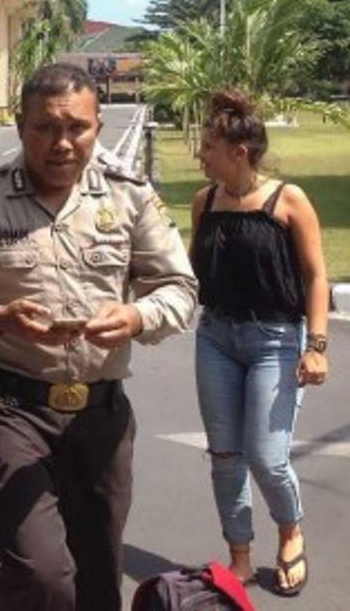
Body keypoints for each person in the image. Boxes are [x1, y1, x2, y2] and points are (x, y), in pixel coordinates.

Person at [0, 63, 198, 611]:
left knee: (99, 576)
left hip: (101, 415)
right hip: (11, 409)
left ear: (97, 127)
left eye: (77, 127)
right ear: (22, 127)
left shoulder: (129, 197)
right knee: (41, 572)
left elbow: (179, 287)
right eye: (45, 127)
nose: (62, 142)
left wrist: (137, 317)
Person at [189, 89, 329, 597]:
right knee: (225, 456)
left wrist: (316, 345)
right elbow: (192, 272)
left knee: (267, 458)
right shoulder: (205, 201)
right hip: (215, 337)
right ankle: (240, 556)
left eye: (208, 147)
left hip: (275, 339)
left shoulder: (288, 200)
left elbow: (315, 276)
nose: (201, 155)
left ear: (239, 152)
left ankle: (290, 532)